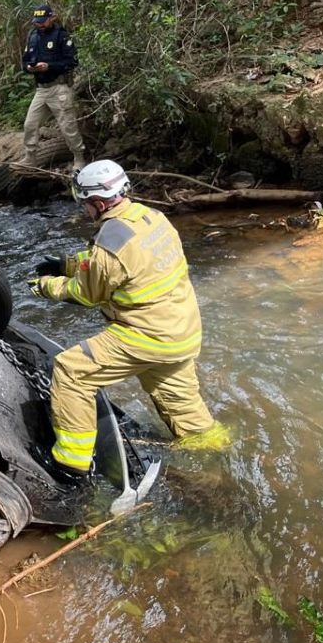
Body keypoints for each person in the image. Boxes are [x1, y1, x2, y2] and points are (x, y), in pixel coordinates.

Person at [29, 159, 229, 480]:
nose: (84, 211)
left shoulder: (110, 245)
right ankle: (217, 464)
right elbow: (126, 262)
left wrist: (46, 286)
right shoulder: (153, 218)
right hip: (182, 333)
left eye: (85, 205)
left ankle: (72, 463)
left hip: (144, 335)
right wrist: (67, 263)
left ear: (97, 203)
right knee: (187, 414)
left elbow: (86, 293)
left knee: (71, 371)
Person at [21, 3, 86, 171]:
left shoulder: (61, 36)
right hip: (41, 89)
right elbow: (25, 60)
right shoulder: (33, 35)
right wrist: (29, 67)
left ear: (53, 18)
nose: (40, 25)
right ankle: (30, 157)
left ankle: (79, 157)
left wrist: (48, 66)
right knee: (30, 124)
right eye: (37, 22)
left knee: (68, 126)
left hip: (59, 88)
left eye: (43, 21)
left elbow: (71, 62)